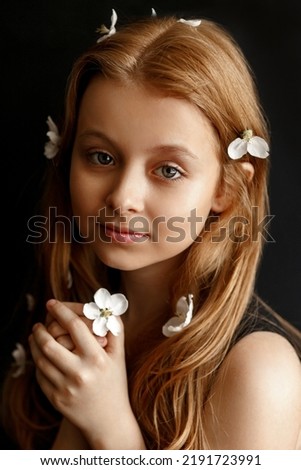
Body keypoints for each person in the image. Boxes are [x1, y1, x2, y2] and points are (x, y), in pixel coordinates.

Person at [1, 9, 301, 450]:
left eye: (168, 169)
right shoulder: (60, 316)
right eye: (101, 157)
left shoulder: (258, 372)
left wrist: (109, 428)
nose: (122, 197)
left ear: (229, 187)